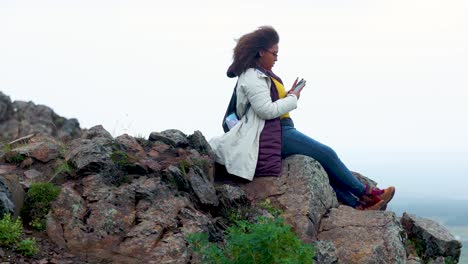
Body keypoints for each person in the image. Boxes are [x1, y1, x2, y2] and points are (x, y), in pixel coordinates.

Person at [209, 26, 395, 210]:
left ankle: (358, 204)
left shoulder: (262, 74)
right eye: (274, 53)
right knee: (326, 153)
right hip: (273, 132)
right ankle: (368, 193)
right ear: (260, 52)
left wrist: (288, 94)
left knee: (322, 164)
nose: (276, 58)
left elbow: (268, 103)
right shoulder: (252, 76)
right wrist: (293, 98)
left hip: (280, 129)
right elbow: (265, 110)